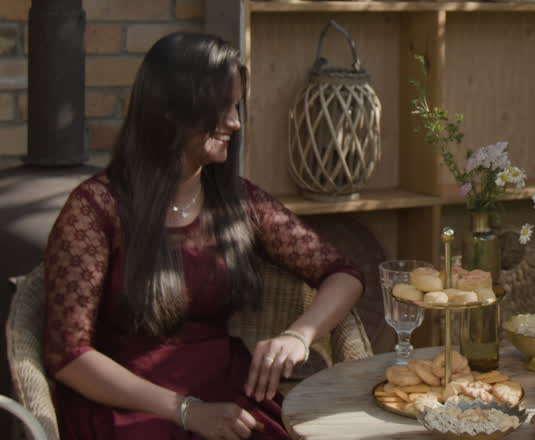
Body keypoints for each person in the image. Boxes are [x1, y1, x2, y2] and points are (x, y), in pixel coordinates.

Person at [43, 32, 365, 440]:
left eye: (236, 106)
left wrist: (298, 335)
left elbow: (343, 273)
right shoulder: (94, 208)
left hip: (228, 395)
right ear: (173, 110)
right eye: (222, 107)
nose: (235, 121)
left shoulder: (238, 201)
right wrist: (184, 411)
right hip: (129, 407)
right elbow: (68, 356)